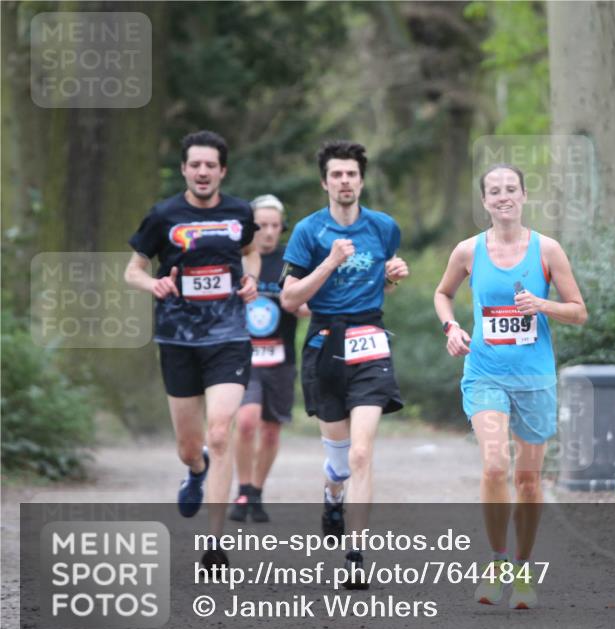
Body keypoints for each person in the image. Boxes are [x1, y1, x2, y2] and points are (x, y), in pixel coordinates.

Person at [433, 164, 587, 609]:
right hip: (484, 372)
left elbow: (578, 311)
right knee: (496, 465)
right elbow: (443, 293)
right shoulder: (467, 251)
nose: (503, 197)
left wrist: (542, 304)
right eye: (494, 191)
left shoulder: (547, 250)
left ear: (523, 196)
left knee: (528, 480)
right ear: (484, 201)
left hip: (534, 378)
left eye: (511, 189)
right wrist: (451, 328)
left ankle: (522, 567)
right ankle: (497, 562)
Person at [124, 130, 260, 568]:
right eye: (194, 165)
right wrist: (153, 283)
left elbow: (251, 251)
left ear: (222, 170)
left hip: (230, 336)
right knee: (191, 445)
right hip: (178, 339)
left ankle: (214, 544)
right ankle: (195, 471)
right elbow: (133, 270)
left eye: (210, 165)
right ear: (184, 169)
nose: (202, 172)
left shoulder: (240, 212)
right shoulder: (163, 215)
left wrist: (251, 278)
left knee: (221, 433)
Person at [280, 140, 408, 588]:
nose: (345, 181)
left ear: (361, 179)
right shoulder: (307, 231)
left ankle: (356, 554)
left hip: (370, 340)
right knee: (337, 459)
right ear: (325, 182)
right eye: (336, 174)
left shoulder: (384, 227)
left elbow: (380, 282)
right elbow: (290, 297)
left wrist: (391, 278)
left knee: (361, 451)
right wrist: (330, 263)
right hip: (323, 342)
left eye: (351, 173)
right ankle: (332, 493)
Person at [229, 194, 308, 523]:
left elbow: (305, 307)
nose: (269, 232)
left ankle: (257, 492)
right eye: (261, 225)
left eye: (276, 226)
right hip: (241, 356)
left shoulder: (290, 262)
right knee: (246, 422)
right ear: (250, 227)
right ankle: (243, 490)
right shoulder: (237, 260)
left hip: (281, 358)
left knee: (272, 431)